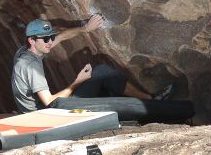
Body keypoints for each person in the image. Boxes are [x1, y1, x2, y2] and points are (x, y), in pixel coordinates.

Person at [11, 15, 172, 113]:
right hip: (47, 114)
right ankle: (152, 101)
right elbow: (49, 101)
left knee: (101, 77)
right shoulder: (30, 66)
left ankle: (145, 100)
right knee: (102, 72)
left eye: (50, 37)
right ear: (32, 40)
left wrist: (85, 28)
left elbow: (61, 36)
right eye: (46, 39)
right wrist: (78, 81)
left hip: (41, 110)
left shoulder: (26, 51)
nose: (50, 42)